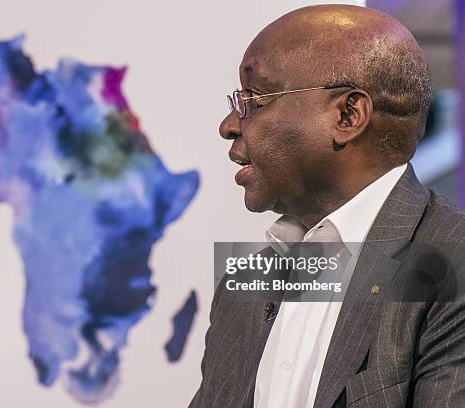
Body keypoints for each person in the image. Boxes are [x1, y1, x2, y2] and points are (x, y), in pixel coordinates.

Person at [189, 4, 465, 408]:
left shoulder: (453, 261)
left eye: (253, 97)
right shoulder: (244, 284)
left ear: (347, 114)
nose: (229, 124)